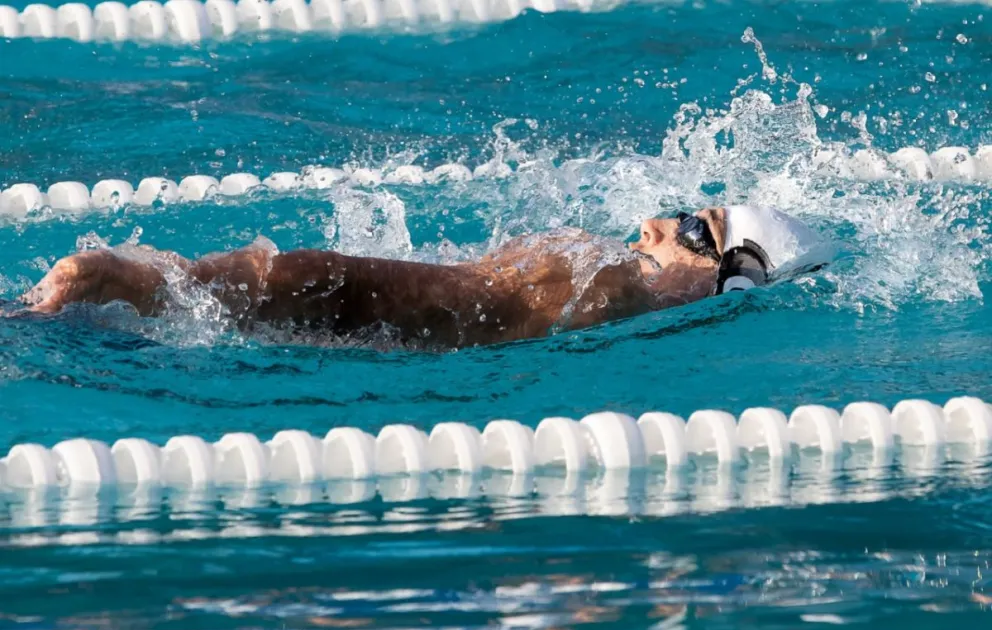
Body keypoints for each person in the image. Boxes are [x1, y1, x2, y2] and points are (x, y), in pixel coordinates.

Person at [17, 205, 822, 349]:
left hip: (316, 302)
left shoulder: (607, 281)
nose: (653, 223)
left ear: (733, 279)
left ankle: (141, 283)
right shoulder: (599, 276)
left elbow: (373, 290)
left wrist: (155, 281)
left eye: (694, 230)